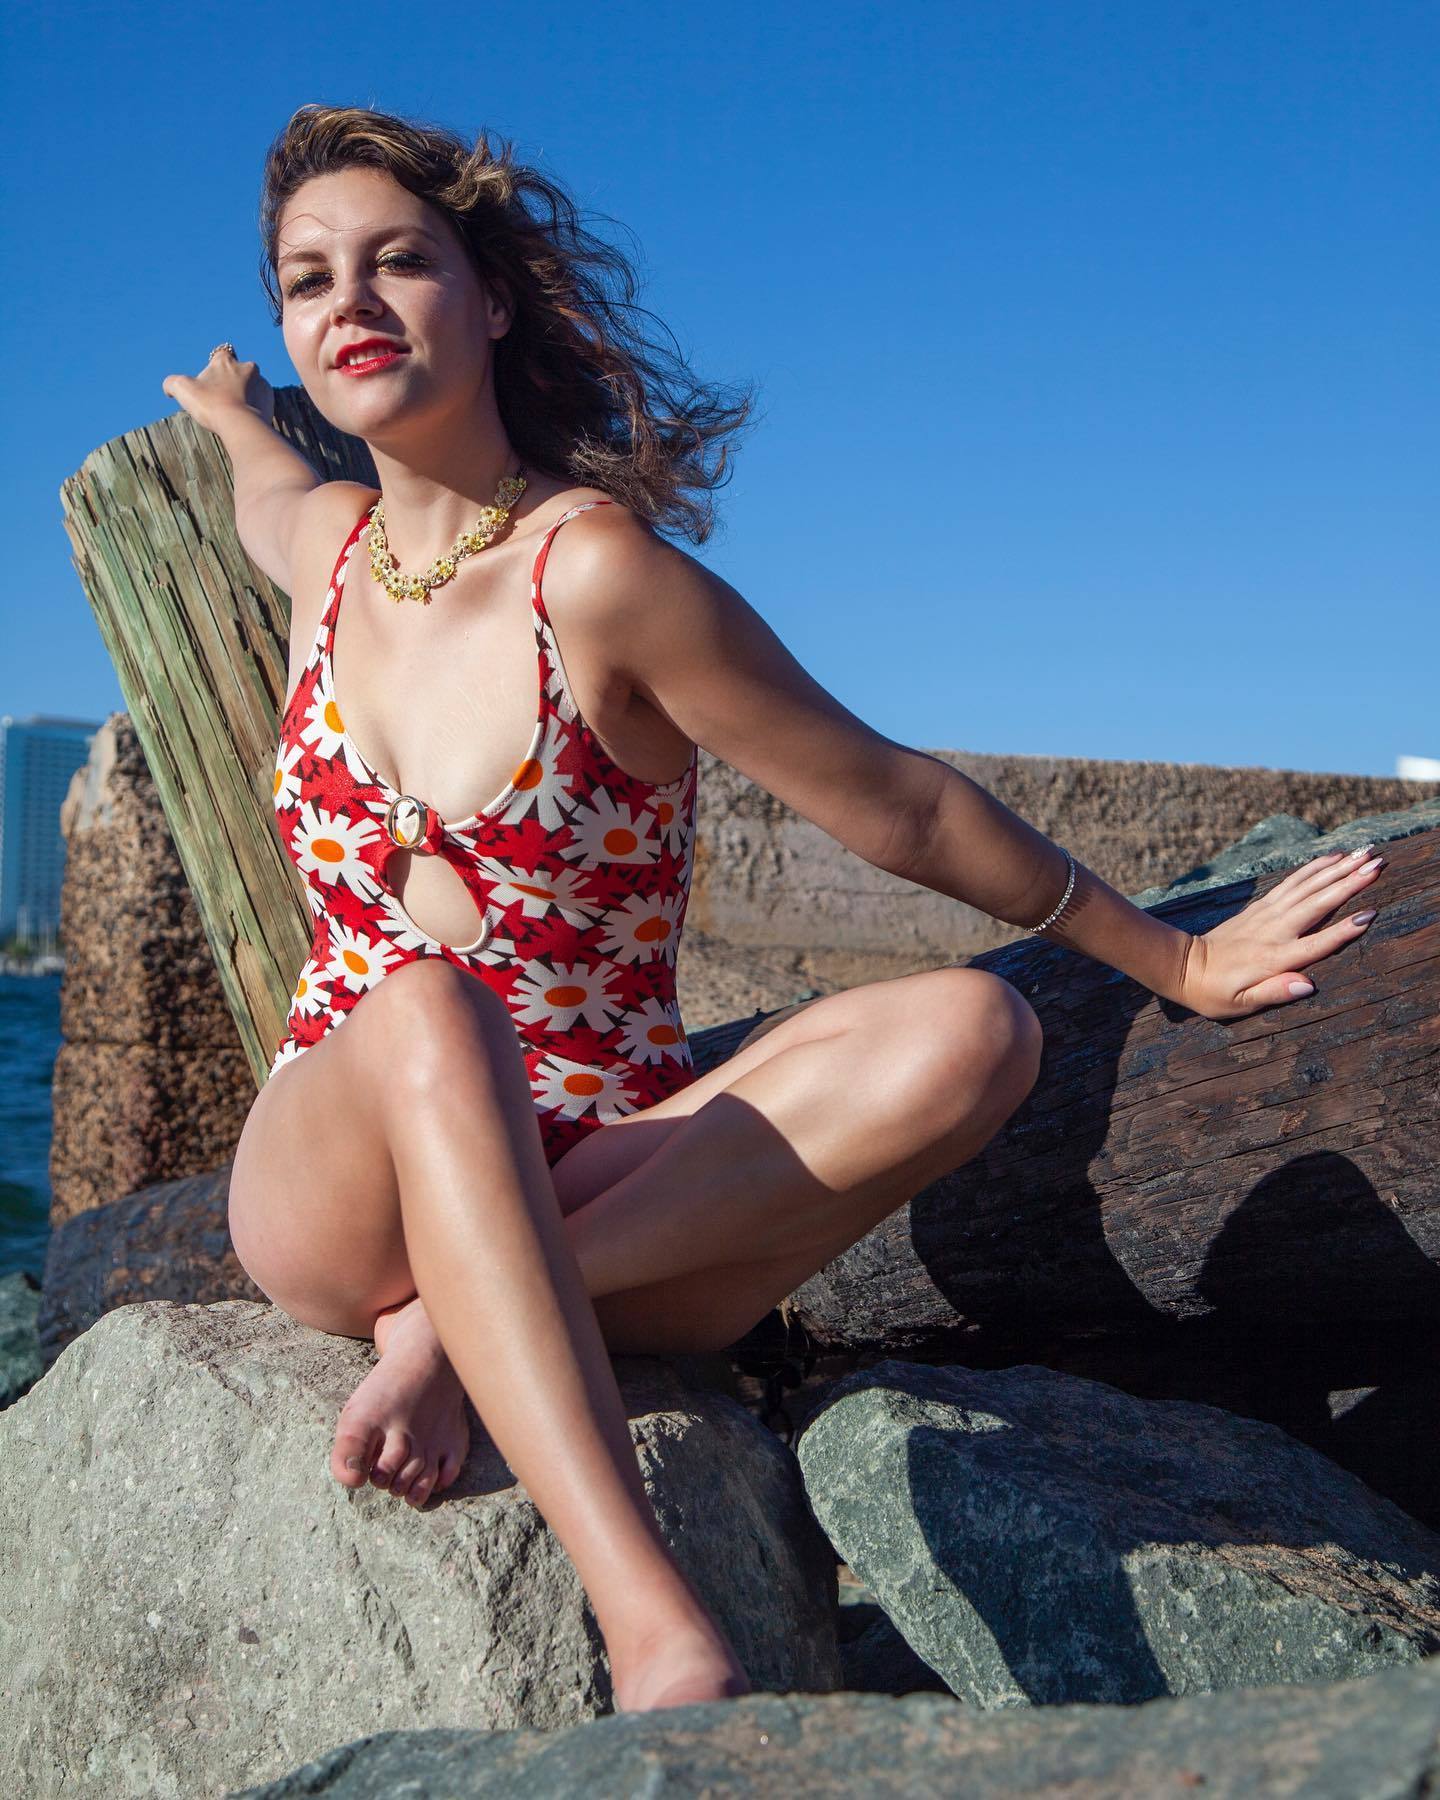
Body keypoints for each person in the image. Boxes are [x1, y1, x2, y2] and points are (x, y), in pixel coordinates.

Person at [161, 104, 1385, 1714]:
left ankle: (457, 1326)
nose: (353, 305)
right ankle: (657, 1627)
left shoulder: (598, 578)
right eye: (309, 281)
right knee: (429, 1005)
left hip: (620, 1181)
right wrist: (228, 414)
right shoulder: (328, 552)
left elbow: (901, 806)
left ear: (494, 296)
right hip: (343, 1179)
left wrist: (1179, 954)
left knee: (977, 1028)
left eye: (400, 260)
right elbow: (261, 487)